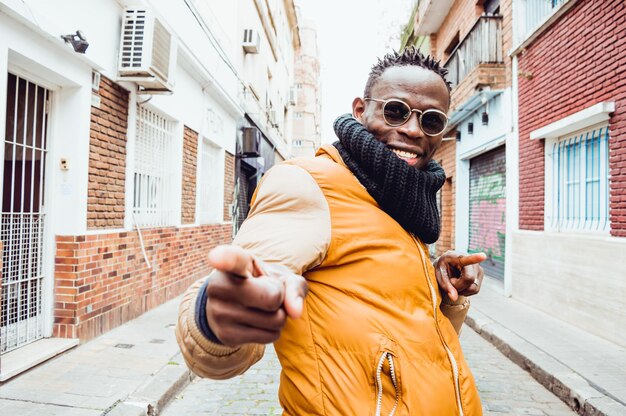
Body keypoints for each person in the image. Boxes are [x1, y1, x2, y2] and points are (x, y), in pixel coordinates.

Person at [176, 47, 486, 415]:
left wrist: (445, 296)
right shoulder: (308, 183)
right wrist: (215, 318)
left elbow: (410, 347)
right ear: (360, 109)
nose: (412, 129)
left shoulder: (406, 203)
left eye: (432, 121)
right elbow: (218, 349)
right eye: (395, 111)